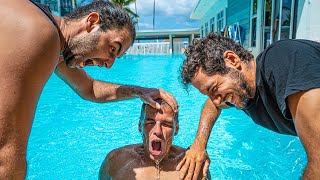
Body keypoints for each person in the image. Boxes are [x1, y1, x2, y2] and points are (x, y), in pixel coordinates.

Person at [0, 0, 177, 178]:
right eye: (113, 49)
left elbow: (90, 89)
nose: (109, 64)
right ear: (91, 22)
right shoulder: (43, 34)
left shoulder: (54, 42)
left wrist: (139, 91)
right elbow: (6, 155)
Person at [179, 32, 320, 179]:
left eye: (214, 89)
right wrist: (199, 145)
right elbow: (212, 106)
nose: (216, 100)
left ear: (232, 60)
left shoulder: (284, 60)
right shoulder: (243, 90)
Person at [99, 98, 210, 180]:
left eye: (166, 124)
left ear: (176, 129)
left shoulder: (195, 167)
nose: (157, 131)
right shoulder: (116, 161)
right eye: (150, 122)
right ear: (140, 126)